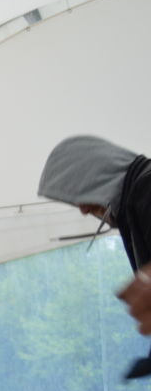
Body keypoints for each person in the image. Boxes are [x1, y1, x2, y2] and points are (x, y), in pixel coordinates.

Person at [38, 135, 151, 372]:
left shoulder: (147, 187)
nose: (83, 209)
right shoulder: (136, 203)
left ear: (99, 175)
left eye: (82, 192)